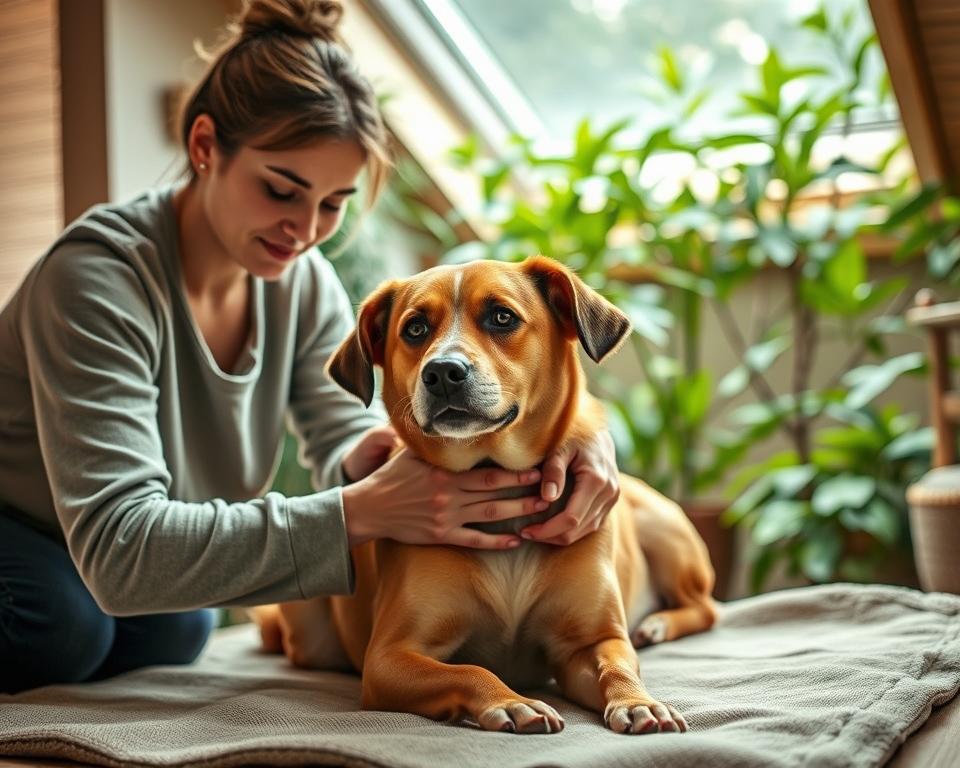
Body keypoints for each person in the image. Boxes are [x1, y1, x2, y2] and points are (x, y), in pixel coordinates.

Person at [0, 0, 619, 695]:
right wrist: (365, 510)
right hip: (23, 527)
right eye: (280, 190)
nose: (303, 230)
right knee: (64, 624)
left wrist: (580, 444)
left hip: (103, 554)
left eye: (332, 203)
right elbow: (122, 548)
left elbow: (351, 431)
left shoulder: (296, 279)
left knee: (181, 626)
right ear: (205, 147)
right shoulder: (96, 281)